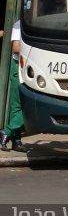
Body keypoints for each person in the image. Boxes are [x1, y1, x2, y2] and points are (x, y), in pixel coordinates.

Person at [0, 21, 27, 152]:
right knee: (20, 106)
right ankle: (11, 136)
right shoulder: (19, 24)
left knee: (23, 106)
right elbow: (16, 47)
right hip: (20, 66)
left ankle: (12, 137)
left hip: (31, 66)